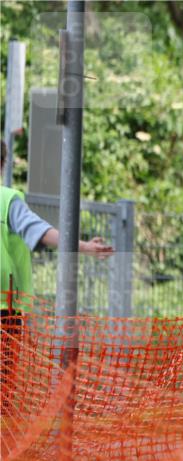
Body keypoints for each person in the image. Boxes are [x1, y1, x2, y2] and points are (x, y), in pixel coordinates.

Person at [1, 139, 113, 409]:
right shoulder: (6, 200)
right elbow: (40, 231)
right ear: (3, 163)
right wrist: (85, 247)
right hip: (4, 314)